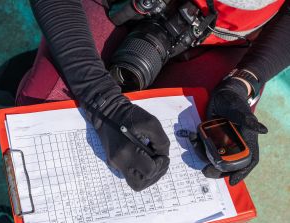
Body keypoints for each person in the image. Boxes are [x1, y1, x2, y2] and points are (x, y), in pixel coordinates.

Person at [15, 0, 290, 191]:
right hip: (118, 7)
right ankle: (67, 45)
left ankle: (67, 51)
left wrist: (244, 82)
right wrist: (100, 98)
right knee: (42, 105)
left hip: (221, 42)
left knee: (208, 163)